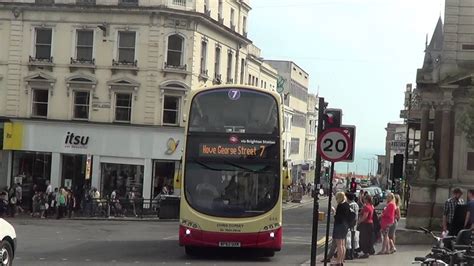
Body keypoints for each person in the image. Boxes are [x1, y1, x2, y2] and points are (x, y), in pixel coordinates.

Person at [333, 192, 352, 265]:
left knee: (339, 245)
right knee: (343, 244)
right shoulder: (347, 205)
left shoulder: (340, 206)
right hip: (345, 225)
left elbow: (338, 218)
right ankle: (341, 260)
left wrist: (334, 212)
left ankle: (338, 262)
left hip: (339, 225)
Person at [358, 194, 375, 258]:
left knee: (364, 238)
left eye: (364, 199)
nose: (363, 200)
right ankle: (369, 250)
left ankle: (366, 252)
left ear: (367, 200)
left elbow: (365, 217)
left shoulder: (366, 207)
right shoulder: (371, 206)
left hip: (366, 224)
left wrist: (359, 222)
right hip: (370, 223)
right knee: (368, 238)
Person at [346, 192, 359, 260]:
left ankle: (349, 254)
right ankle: (352, 254)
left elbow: (350, 216)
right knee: (353, 240)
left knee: (348, 241)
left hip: (350, 225)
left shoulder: (350, 205)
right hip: (354, 225)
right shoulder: (356, 205)